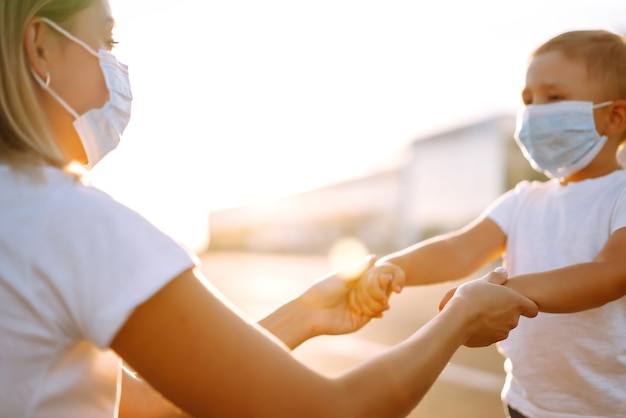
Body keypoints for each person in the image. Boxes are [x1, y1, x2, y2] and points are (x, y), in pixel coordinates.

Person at [0, 0, 539, 417]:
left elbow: (145, 403)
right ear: (41, 45)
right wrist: (463, 313)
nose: (117, 67)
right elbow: (331, 411)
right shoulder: (71, 223)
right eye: (107, 40)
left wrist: (304, 314)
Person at [364, 29, 626, 418]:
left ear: (614, 116)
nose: (535, 112)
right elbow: (460, 248)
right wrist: (396, 266)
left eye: (553, 98)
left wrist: (504, 294)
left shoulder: (619, 194)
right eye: (528, 100)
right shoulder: (524, 200)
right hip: (522, 402)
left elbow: (611, 272)